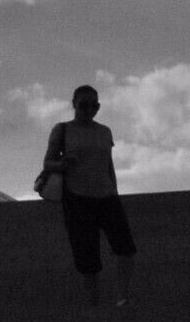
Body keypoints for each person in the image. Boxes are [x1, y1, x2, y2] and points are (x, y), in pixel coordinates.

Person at [42, 83, 136, 306]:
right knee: (87, 257)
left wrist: (114, 189)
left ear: (98, 107)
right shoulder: (62, 129)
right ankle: (94, 304)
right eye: (84, 104)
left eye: (93, 105)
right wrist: (63, 164)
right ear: (74, 104)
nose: (88, 109)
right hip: (77, 198)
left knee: (126, 249)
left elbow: (108, 164)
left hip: (106, 196)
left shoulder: (104, 131)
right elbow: (48, 163)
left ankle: (123, 298)